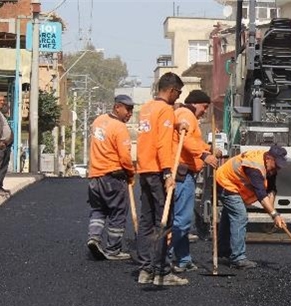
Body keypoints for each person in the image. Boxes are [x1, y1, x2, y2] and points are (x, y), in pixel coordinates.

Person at [136, 72, 189, 286]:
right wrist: (168, 173)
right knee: (164, 221)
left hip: (144, 169)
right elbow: (162, 144)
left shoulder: (147, 108)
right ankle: (163, 271)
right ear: (171, 90)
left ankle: (145, 269)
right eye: (178, 92)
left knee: (146, 222)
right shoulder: (165, 109)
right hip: (159, 171)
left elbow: (152, 136)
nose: (178, 97)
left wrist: (177, 125)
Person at [170, 90, 219, 273]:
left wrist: (209, 148)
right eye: (204, 107)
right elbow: (187, 140)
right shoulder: (186, 114)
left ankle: (184, 259)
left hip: (183, 172)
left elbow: (193, 142)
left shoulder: (185, 114)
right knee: (182, 220)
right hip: (182, 174)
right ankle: (162, 257)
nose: (205, 111)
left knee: (181, 219)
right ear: (196, 103)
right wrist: (204, 154)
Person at [215, 145, 288, 269]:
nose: (277, 169)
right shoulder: (254, 166)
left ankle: (223, 251)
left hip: (235, 185)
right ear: (269, 158)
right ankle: (238, 258)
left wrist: (272, 212)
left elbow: (271, 189)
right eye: (276, 165)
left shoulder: (270, 167)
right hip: (226, 182)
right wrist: (274, 214)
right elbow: (260, 193)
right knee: (240, 216)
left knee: (229, 217)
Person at [86, 95, 136, 261]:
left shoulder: (98, 121)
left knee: (98, 210)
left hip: (94, 176)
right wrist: (130, 174)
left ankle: (94, 237)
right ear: (117, 107)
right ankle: (113, 249)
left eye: (132, 110)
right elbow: (125, 157)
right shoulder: (120, 127)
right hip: (113, 176)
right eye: (127, 110)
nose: (130, 114)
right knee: (118, 212)